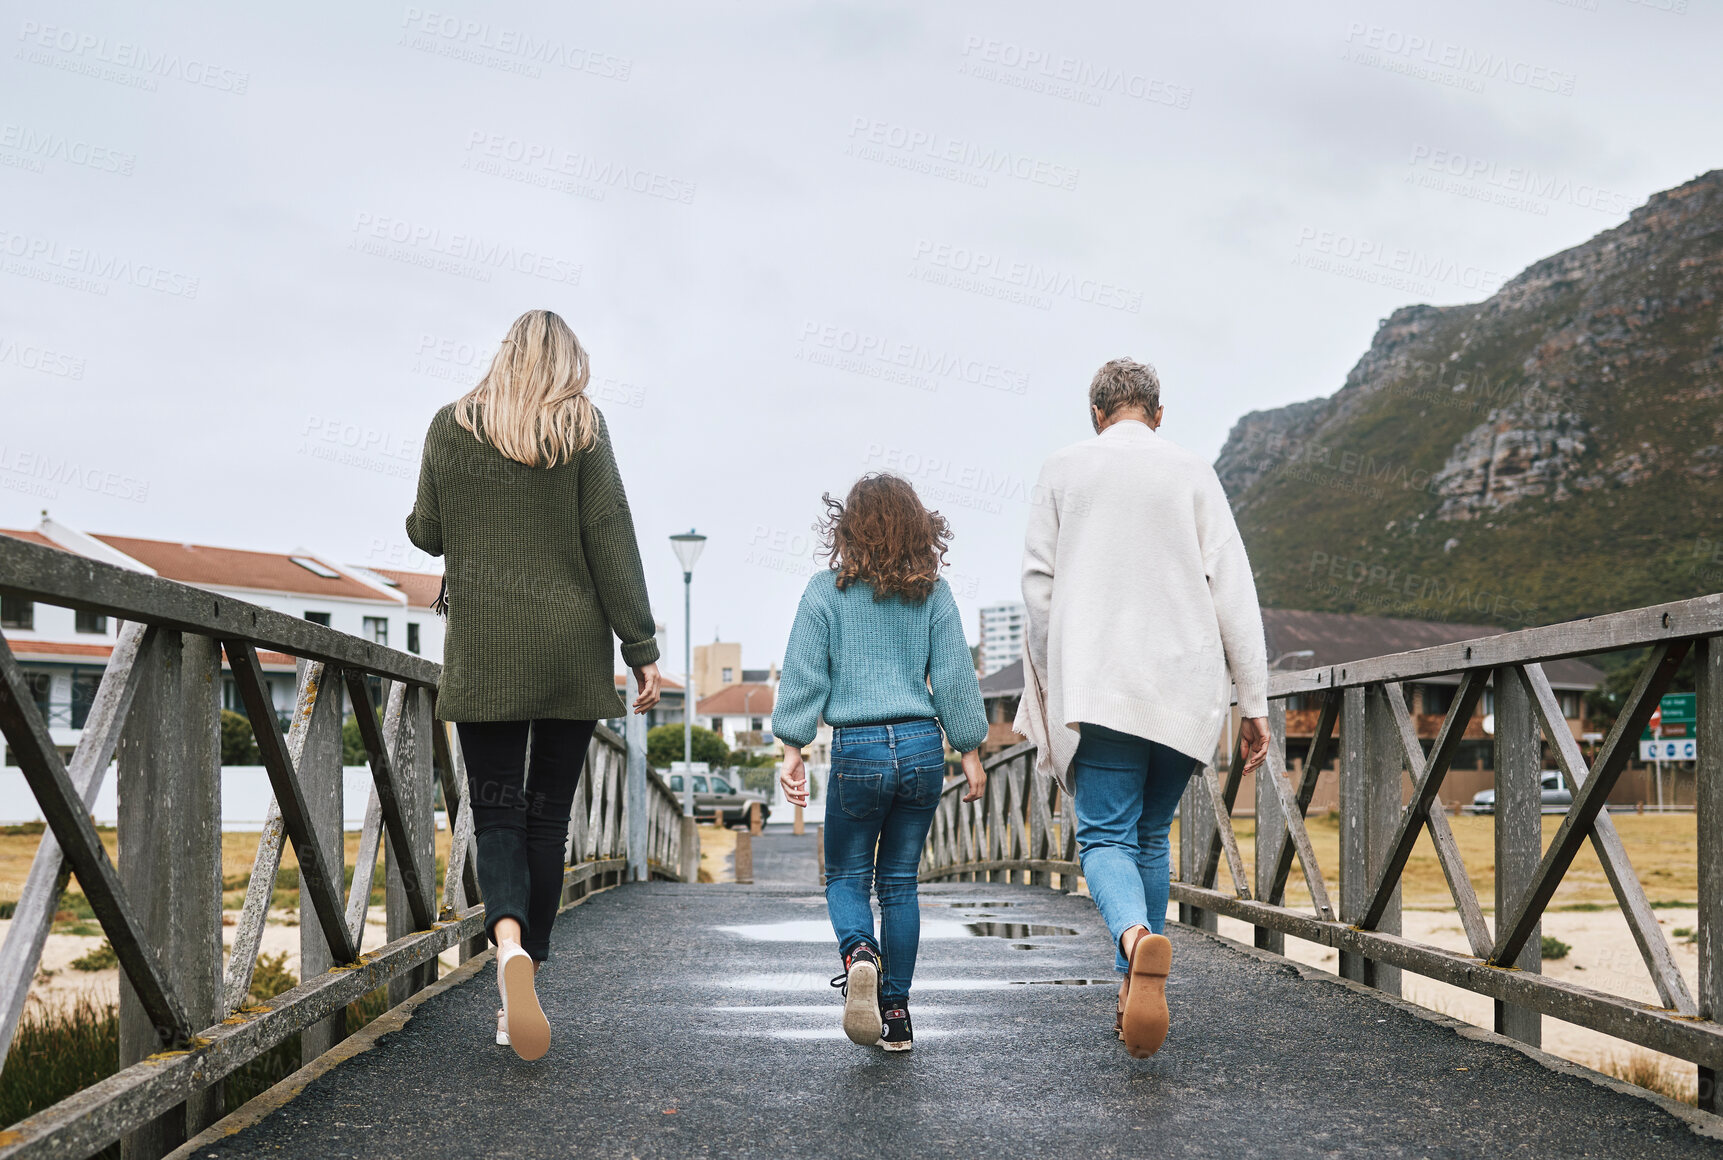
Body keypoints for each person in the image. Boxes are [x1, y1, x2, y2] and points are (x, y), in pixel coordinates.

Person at [406, 308, 661, 1061]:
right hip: (569, 649)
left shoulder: (451, 426)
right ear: (567, 362)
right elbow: (609, 535)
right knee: (547, 818)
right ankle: (530, 976)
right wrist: (640, 646)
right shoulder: (582, 427)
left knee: (494, 814)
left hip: (486, 650)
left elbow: (428, 531)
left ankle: (506, 947)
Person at [1016, 357, 1269, 1060]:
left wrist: (1054, 674)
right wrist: (1254, 701)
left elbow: (1038, 588)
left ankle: (1134, 946)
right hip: (1184, 686)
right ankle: (1136, 990)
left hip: (1100, 683)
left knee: (1102, 838)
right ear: (1157, 414)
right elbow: (1233, 589)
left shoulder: (1064, 468)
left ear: (1096, 414)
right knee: (1150, 837)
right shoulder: (1191, 470)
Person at [777, 474, 988, 1053]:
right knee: (899, 884)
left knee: (846, 876)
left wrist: (793, 746)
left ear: (848, 529)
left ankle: (859, 952)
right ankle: (895, 1014)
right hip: (923, 747)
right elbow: (952, 676)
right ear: (921, 530)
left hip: (858, 748)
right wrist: (970, 750)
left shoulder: (826, 592)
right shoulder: (933, 594)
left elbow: (804, 671)